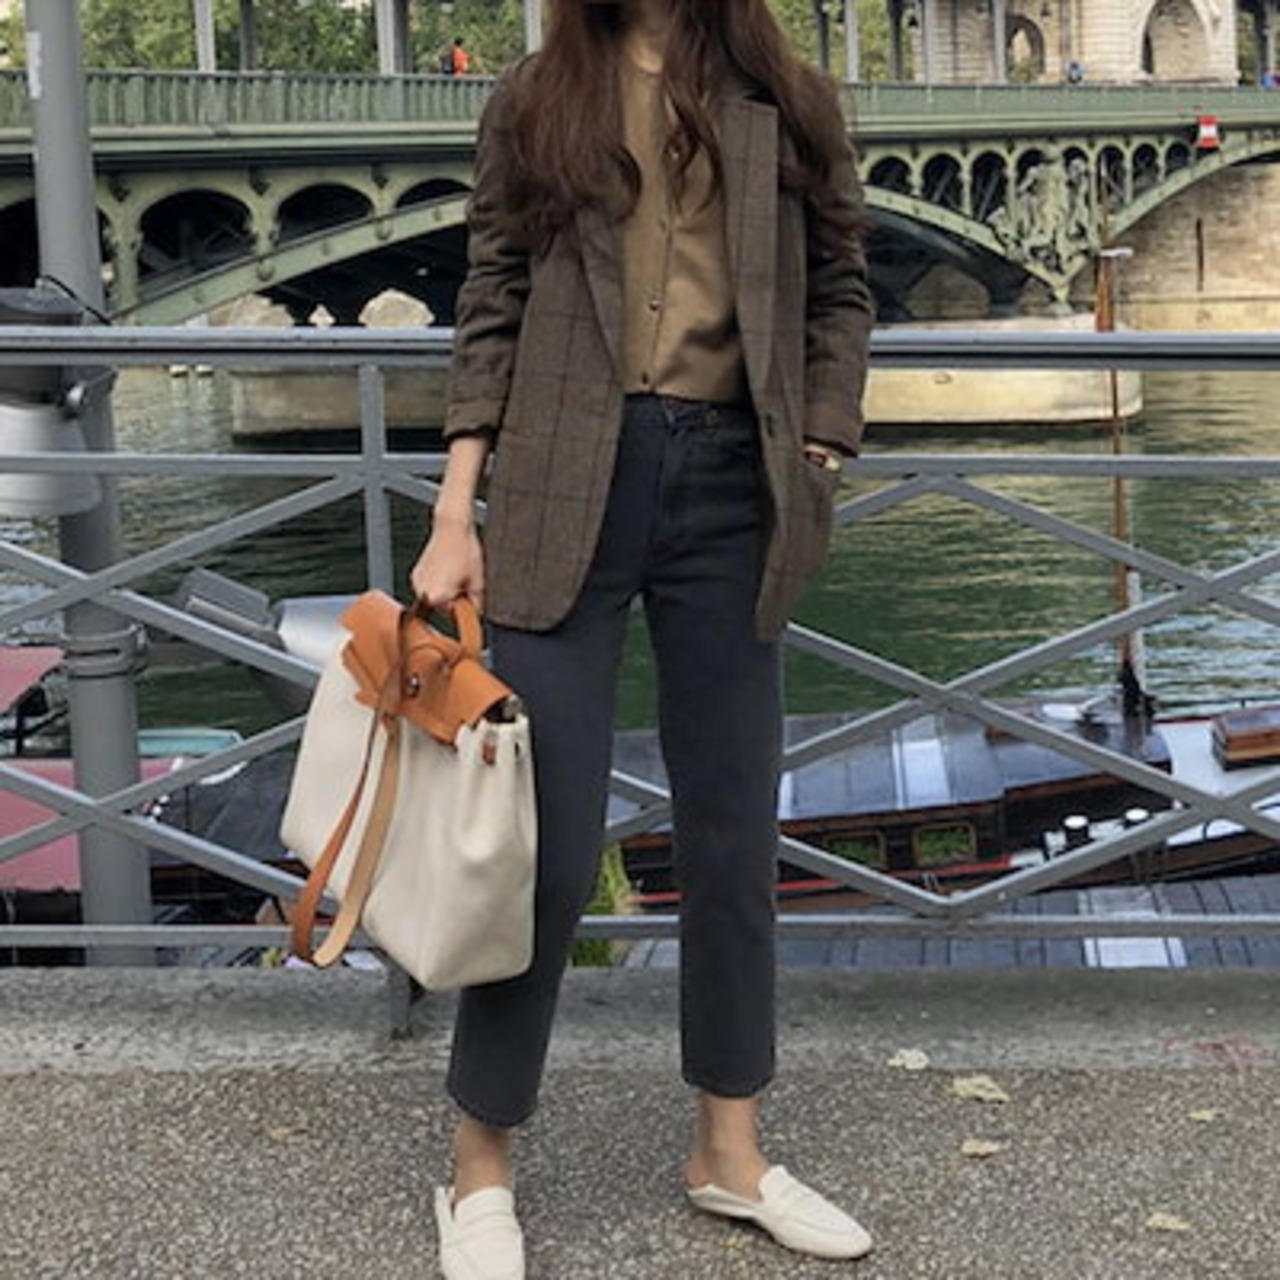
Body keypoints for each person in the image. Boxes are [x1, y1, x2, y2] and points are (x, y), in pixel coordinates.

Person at [411, 0, 875, 1275]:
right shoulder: (536, 96)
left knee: (731, 835)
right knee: (539, 848)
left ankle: (729, 1150)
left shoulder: (787, 99)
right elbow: (491, 297)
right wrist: (454, 510)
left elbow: (841, 279)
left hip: (736, 487)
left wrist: (821, 439)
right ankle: (478, 1166)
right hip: (566, 479)